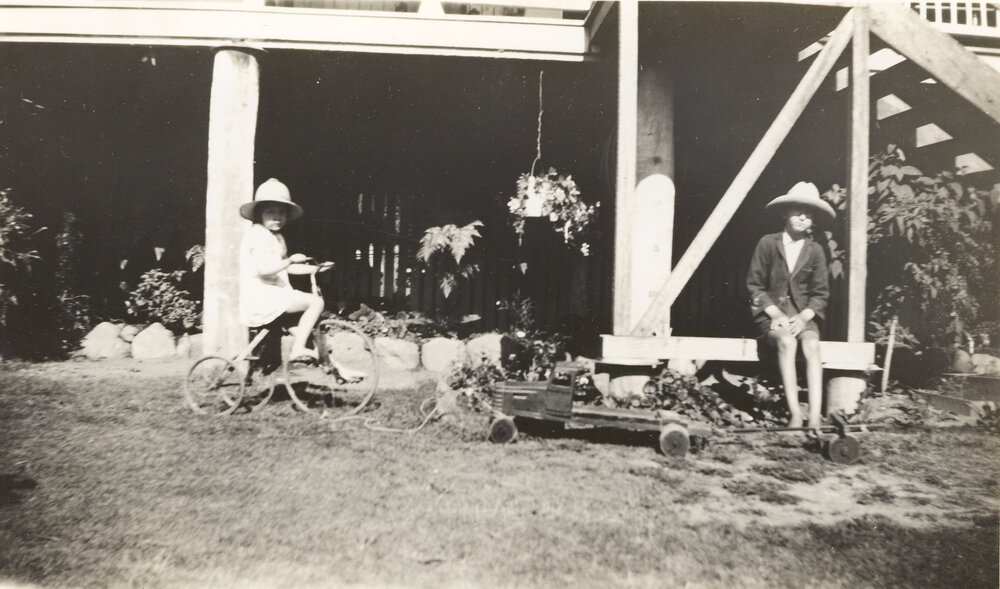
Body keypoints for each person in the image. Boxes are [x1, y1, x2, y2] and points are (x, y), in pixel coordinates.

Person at [746, 181, 835, 434]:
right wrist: (774, 313)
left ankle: (815, 416)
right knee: (786, 342)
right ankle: (795, 414)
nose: (802, 217)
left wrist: (805, 316)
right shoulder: (767, 244)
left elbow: (820, 294)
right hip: (771, 317)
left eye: (809, 214)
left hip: (804, 317)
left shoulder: (816, 251)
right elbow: (754, 286)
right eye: (797, 211)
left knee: (812, 345)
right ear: (785, 213)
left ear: (813, 220)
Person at [239, 178, 324, 363]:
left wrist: (314, 269)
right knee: (316, 303)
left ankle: (330, 367)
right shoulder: (257, 236)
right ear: (260, 214)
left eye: (282, 213)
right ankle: (297, 349)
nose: (277, 217)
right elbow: (263, 270)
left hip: (274, 295)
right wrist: (290, 260)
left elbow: (286, 269)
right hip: (262, 298)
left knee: (304, 329)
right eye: (271, 212)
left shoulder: (276, 237)